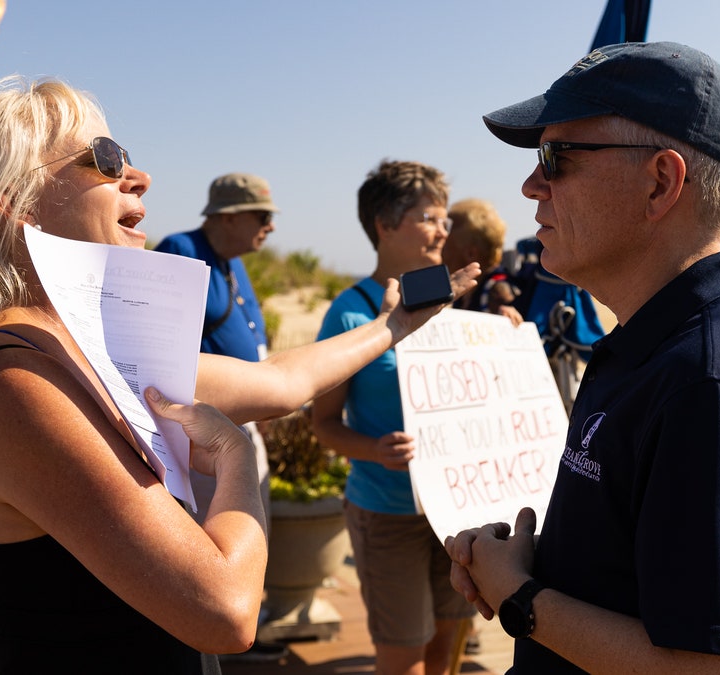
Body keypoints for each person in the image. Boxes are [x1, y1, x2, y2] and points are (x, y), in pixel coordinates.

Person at [0, 76, 477, 674]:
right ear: (16, 198)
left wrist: (395, 324)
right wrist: (236, 458)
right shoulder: (13, 383)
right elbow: (225, 609)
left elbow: (279, 383)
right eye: (107, 158)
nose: (138, 177)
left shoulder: (76, 355)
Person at [444, 42, 720, 675]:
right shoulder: (654, 346)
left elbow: (717, 670)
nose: (531, 184)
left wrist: (519, 596)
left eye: (555, 158)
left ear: (660, 183)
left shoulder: (709, 382)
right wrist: (535, 565)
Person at [311, 160, 477, 675]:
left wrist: (504, 333)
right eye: (430, 217)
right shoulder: (350, 314)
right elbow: (324, 424)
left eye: (446, 218)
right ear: (384, 225)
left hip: (456, 512)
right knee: (403, 656)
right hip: (386, 515)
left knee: (448, 646)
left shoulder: (454, 305)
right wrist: (374, 451)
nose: (444, 229)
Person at [154, 172, 286, 661]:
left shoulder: (231, 261)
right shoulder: (181, 248)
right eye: (262, 216)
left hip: (243, 421)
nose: (270, 227)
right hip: (205, 431)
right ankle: (214, 641)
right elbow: (166, 344)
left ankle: (242, 628)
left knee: (253, 524)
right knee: (216, 532)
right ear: (228, 217)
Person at [442, 198, 522, 325]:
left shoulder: (496, 290)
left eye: (445, 245)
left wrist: (507, 315)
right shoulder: (466, 289)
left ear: (470, 254)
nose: (440, 250)